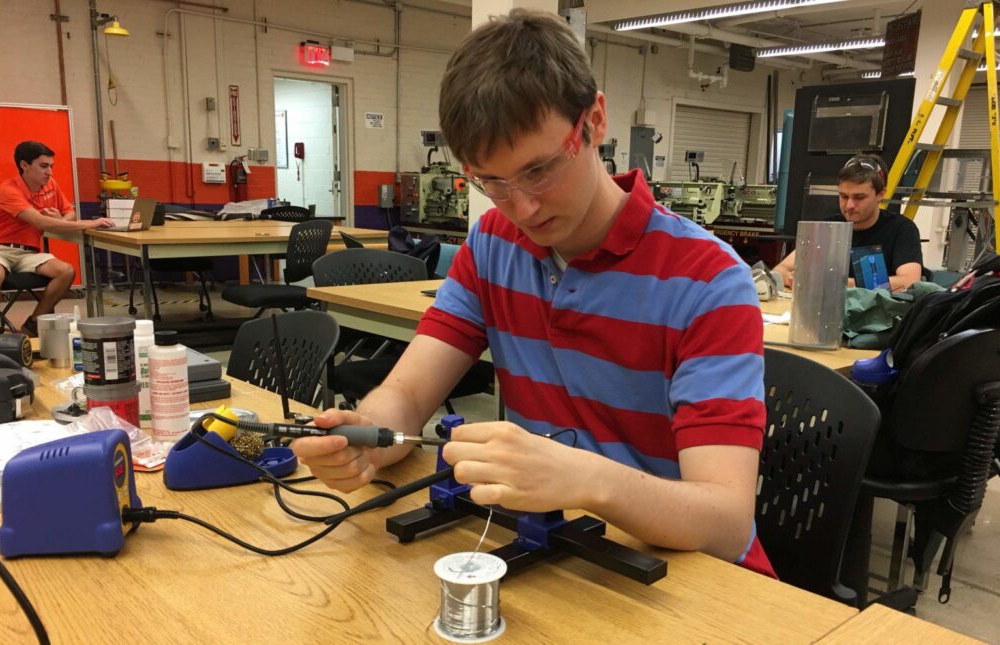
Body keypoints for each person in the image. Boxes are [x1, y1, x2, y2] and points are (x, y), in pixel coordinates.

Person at [291, 10, 774, 577]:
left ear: (594, 120)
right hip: (565, 560)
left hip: (690, 584)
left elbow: (725, 522)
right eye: (490, 181)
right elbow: (407, 396)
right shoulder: (494, 243)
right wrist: (365, 441)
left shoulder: (708, 280)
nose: (521, 208)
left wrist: (587, 477)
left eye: (539, 170)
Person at [0, 141, 114, 335]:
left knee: (66, 271)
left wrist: (62, 219)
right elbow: (41, 223)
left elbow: (69, 214)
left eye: (51, 166)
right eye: (43, 166)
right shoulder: (8, 190)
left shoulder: (51, 185)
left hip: (29, 253)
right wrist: (91, 223)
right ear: (24, 165)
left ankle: (33, 324)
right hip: (0, 249)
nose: (49, 172)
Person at [774, 154, 923, 292]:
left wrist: (836, 284)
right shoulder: (828, 228)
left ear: (881, 194)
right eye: (844, 196)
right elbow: (779, 270)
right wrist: (793, 279)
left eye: (859, 197)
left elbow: (909, 282)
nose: (849, 205)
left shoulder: (901, 229)